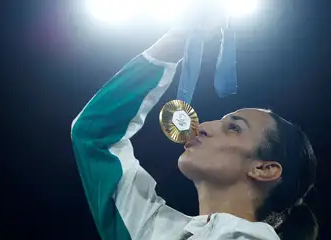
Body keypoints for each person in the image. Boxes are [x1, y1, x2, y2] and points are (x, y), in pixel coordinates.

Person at [71, 23, 318, 240]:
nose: (202, 127)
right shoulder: (154, 231)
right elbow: (95, 136)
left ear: (264, 169)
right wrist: (175, 42)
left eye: (234, 128)